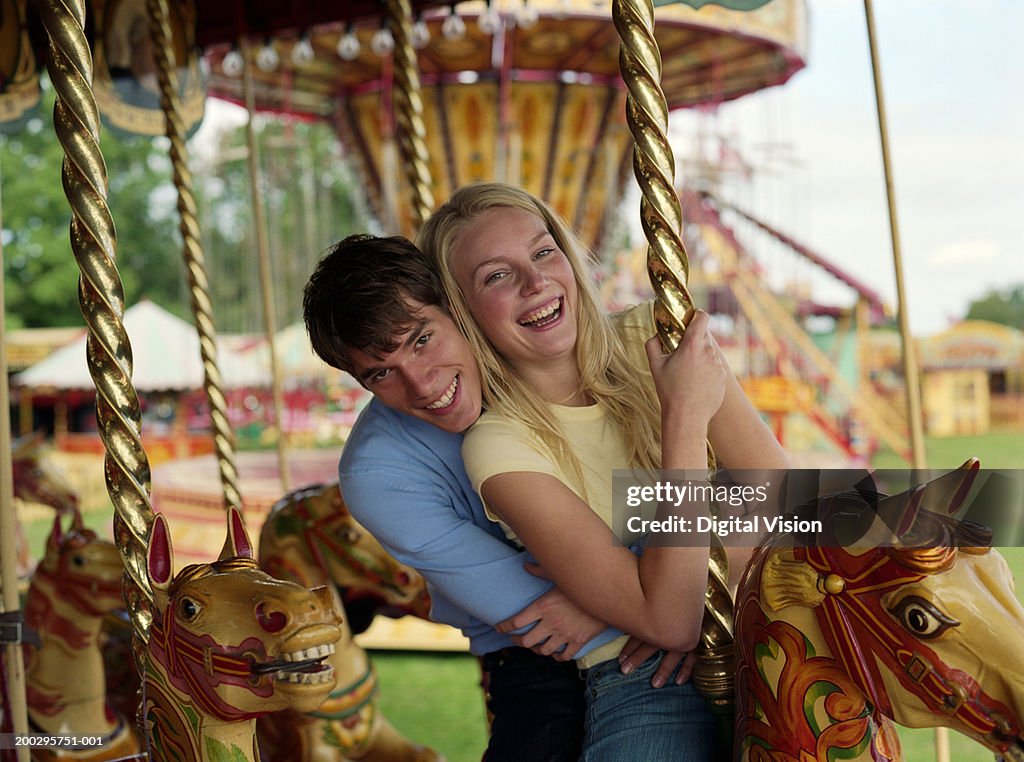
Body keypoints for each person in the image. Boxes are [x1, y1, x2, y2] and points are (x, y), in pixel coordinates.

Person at [417, 182, 791, 760]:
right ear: (461, 310)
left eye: (544, 252)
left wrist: (663, 586)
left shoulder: (654, 332)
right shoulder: (500, 444)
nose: (536, 281)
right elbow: (669, 623)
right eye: (496, 275)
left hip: (765, 629)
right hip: (648, 678)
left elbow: (791, 505)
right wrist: (685, 417)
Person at [303, 235, 686, 762]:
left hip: (665, 601)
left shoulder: (569, 356)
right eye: (380, 373)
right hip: (541, 658)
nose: (420, 384)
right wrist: (652, 602)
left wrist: (663, 599)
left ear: (456, 310)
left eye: (421, 340)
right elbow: (537, 618)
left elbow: (781, 500)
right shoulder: (378, 474)